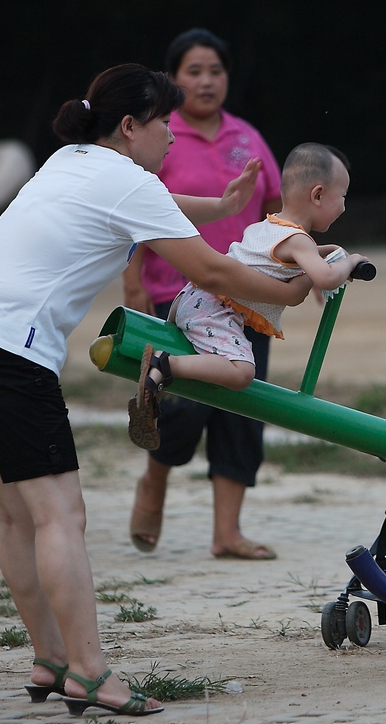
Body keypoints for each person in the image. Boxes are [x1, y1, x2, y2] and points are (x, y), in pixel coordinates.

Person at [0, 63, 311, 715]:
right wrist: (291, 290)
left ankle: (51, 658)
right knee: (61, 517)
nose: (174, 134)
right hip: (11, 359)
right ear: (132, 126)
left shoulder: (70, 160)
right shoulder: (124, 180)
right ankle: (92, 672)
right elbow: (212, 268)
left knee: (19, 517)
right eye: (165, 121)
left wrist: (220, 206)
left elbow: (147, 207)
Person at [124, 28, 282, 561]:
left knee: (244, 405)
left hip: (247, 298)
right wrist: (133, 283)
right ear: (173, 79)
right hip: (179, 294)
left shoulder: (247, 136)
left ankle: (227, 534)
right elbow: (137, 212)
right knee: (184, 408)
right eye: (194, 71)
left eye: (215, 70)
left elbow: (275, 208)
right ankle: (154, 482)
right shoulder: (157, 137)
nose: (207, 80)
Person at [128, 142, 366, 426]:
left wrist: (329, 252)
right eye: (342, 196)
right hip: (213, 309)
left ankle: (154, 391)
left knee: (226, 370)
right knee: (242, 372)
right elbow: (325, 278)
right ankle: (165, 365)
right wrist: (349, 263)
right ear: (317, 194)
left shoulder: (271, 226)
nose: (343, 206)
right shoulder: (299, 240)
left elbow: (301, 262)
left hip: (194, 298)